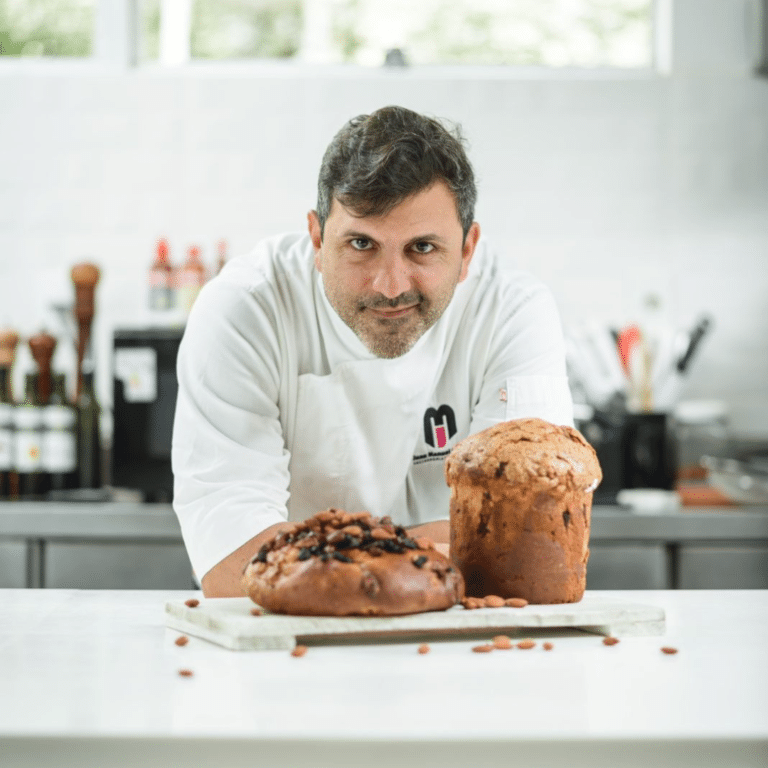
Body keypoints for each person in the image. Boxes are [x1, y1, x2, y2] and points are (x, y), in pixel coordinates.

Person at [171, 105, 573, 597]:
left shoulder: (511, 311)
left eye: (422, 248)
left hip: (465, 645)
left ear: (467, 251)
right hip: (286, 648)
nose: (390, 286)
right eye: (361, 244)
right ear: (318, 238)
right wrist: (444, 552)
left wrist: (315, 563)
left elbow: (525, 543)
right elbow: (232, 562)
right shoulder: (246, 310)